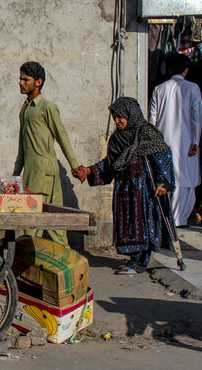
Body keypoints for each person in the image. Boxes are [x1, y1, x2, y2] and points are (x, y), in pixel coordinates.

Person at [74, 97, 177, 275]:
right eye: (114, 116)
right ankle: (133, 260)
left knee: (142, 224)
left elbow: (163, 156)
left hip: (143, 190)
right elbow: (110, 163)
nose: (117, 120)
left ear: (131, 114)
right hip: (124, 188)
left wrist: (164, 184)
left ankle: (140, 262)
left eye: (120, 116)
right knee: (127, 223)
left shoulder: (146, 133)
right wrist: (90, 171)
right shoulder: (117, 138)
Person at [12, 61, 86, 247]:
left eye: (25, 79)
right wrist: (16, 171)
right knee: (40, 219)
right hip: (31, 171)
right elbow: (22, 143)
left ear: (38, 82)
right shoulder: (25, 109)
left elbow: (63, 138)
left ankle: (64, 265)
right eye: (20, 79)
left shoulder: (47, 108)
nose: (21, 83)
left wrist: (75, 166)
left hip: (45, 171)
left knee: (42, 221)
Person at [149, 54, 202, 227]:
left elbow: (152, 120)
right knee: (186, 180)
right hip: (186, 142)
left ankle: (166, 218)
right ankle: (179, 219)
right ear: (186, 70)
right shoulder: (193, 88)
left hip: (163, 143)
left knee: (165, 178)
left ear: (170, 69)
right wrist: (195, 141)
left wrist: (153, 143)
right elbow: (196, 117)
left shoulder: (159, 89)